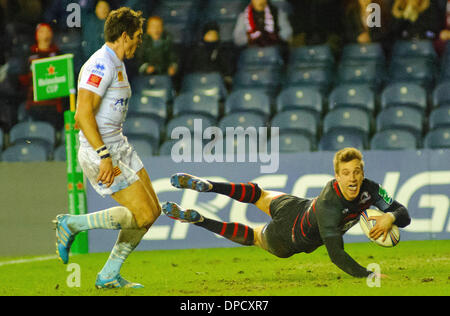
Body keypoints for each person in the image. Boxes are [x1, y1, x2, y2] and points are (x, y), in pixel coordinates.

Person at [162, 147, 411, 278]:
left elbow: (404, 214)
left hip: (296, 205)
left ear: (362, 172)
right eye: (346, 173)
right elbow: (337, 255)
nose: (353, 178)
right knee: (252, 236)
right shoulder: (330, 207)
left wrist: (390, 216)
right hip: (289, 236)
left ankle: (210, 186)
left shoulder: (372, 189)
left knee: (258, 193)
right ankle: (201, 220)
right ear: (337, 176)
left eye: (357, 171)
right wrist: (369, 274)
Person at [53, 7, 161, 289]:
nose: (140, 41)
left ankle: (109, 274)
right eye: (137, 36)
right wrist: (103, 156)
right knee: (144, 214)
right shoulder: (100, 63)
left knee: (152, 212)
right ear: (124, 36)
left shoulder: (117, 63)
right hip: (100, 149)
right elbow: (82, 114)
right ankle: (73, 224)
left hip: (119, 145)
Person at [19, 23, 65, 129]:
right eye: (42, 31)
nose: (45, 34)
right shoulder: (28, 55)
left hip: (54, 106)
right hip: (35, 105)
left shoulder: (59, 54)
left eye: (48, 31)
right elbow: (22, 79)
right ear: (36, 35)